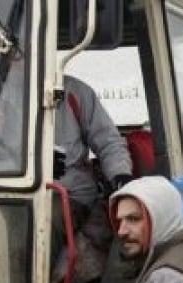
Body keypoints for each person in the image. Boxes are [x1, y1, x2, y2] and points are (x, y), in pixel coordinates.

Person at [50, 75, 133, 264]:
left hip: (69, 193)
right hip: (4, 193)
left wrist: (120, 175)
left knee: (46, 220)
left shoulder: (74, 92)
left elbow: (108, 142)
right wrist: (36, 163)